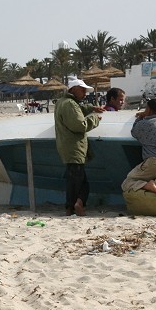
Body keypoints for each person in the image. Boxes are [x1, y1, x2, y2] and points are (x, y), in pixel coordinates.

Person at [54, 78, 104, 216]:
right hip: (74, 147)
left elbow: (78, 109)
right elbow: (79, 125)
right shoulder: (70, 104)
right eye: (82, 90)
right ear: (73, 89)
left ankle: (70, 207)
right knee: (79, 181)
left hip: (67, 146)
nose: (84, 93)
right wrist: (95, 119)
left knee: (74, 179)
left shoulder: (62, 102)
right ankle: (77, 204)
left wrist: (91, 108)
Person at [121, 99, 156, 196]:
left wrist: (140, 117)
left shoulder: (143, 124)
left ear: (149, 109)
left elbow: (134, 132)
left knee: (127, 183)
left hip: (154, 163)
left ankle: (147, 185)